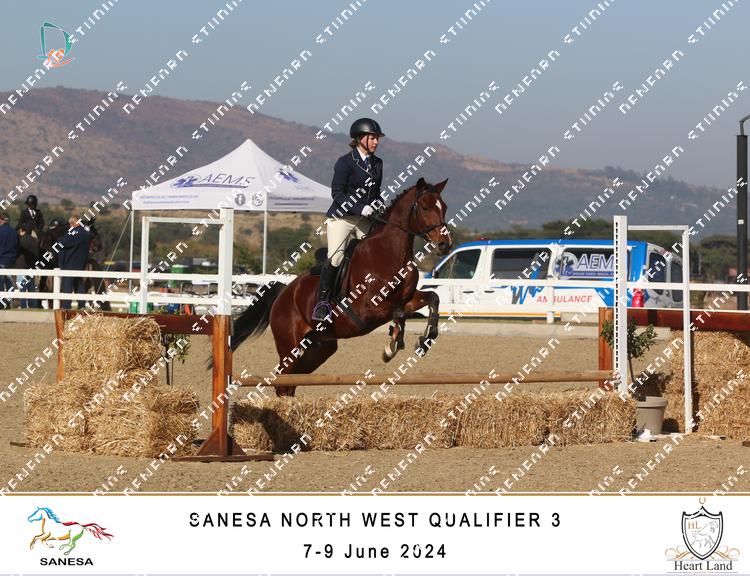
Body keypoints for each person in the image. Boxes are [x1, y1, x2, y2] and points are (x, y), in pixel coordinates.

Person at [312, 118, 384, 322]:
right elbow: (337, 193)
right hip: (342, 218)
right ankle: (322, 303)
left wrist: (379, 203)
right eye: (372, 138)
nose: (376, 142)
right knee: (336, 257)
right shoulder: (345, 162)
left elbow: (376, 192)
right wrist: (360, 207)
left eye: (377, 138)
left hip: (364, 219)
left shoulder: (378, 163)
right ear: (360, 139)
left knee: (378, 254)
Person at [57, 216, 91, 310]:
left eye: (70, 224)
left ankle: (66, 307)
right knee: (80, 286)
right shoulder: (86, 233)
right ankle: (81, 306)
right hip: (81, 264)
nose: (69, 226)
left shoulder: (73, 232)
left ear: (74, 223)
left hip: (69, 264)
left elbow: (62, 241)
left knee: (67, 287)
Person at [15, 222, 41, 308]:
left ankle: (23, 306)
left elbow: (17, 252)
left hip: (21, 266)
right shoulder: (35, 241)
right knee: (31, 288)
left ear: (23, 231)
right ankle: (33, 306)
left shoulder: (21, 240)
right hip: (32, 266)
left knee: (21, 287)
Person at [0, 212, 19, 309]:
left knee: (1, 284)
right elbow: (18, 247)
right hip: (12, 262)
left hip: (1, 261)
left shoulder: (0, 231)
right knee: (10, 285)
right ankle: (8, 304)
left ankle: (1, 304)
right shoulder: (14, 232)